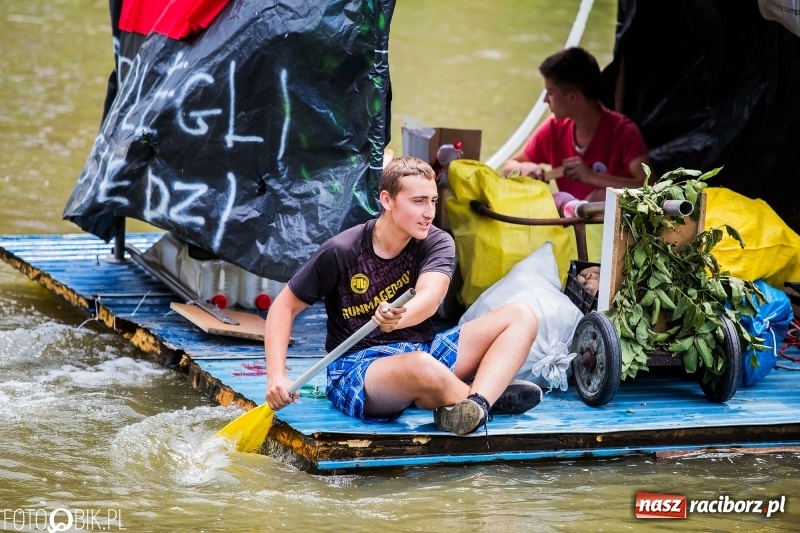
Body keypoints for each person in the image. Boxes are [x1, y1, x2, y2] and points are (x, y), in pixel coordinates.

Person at [265, 156, 542, 436]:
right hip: (358, 367)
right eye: (418, 201)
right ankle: (483, 399)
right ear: (387, 199)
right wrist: (276, 375)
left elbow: (431, 296)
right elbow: (284, 306)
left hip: (423, 350)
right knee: (421, 367)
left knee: (522, 315)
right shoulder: (341, 250)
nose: (429, 213)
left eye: (433, 201)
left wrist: (398, 318)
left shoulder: (437, 240)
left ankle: (471, 404)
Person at [502, 47, 651, 202]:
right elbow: (507, 167)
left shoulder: (624, 132)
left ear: (573, 97)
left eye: (550, 92)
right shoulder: (553, 128)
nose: (545, 99)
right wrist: (523, 168)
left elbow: (650, 187)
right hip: (571, 221)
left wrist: (591, 177)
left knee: (601, 196)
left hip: (607, 223)